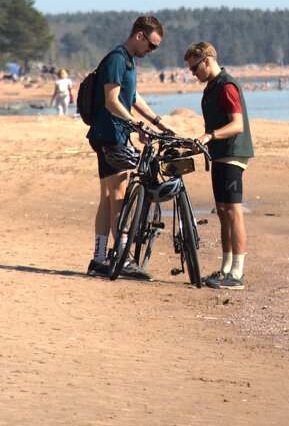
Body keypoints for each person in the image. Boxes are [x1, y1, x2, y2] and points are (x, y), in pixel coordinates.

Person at [85, 15, 172, 279]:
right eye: (152, 45)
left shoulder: (128, 61)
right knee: (120, 195)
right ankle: (121, 258)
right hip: (111, 135)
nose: (152, 51)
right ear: (139, 36)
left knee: (109, 197)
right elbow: (112, 100)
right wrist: (135, 124)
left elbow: (131, 97)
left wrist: (155, 121)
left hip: (110, 133)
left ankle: (99, 259)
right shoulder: (117, 58)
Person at [185, 41, 254, 290]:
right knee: (222, 212)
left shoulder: (226, 86)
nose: (194, 74)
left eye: (195, 69)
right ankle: (225, 268)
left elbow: (238, 125)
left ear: (207, 60)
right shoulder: (211, 87)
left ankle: (237, 272)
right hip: (219, 155)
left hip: (233, 154)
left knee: (234, 212)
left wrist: (210, 135)